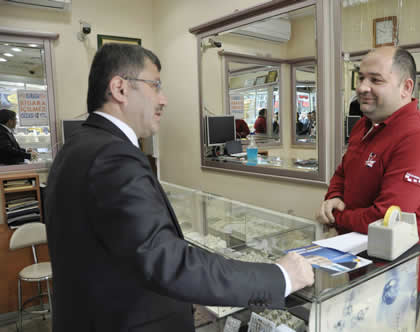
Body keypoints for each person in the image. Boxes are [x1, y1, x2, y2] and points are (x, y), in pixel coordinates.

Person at [44, 44, 314, 332]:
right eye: (155, 86)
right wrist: (278, 277)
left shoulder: (76, 145)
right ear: (120, 89)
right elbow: (167, 262)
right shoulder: (113, 157)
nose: (164, 99)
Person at [316, 46, 420, 320]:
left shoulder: (418, 138)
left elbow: (386, 218)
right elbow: (342, 172)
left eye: (375, 80)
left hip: (394, 274)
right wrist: (333, 196)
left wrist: (338, 216)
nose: (362, 87)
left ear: (405, 87)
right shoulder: (364, 125)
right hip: (356, 261)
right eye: (361, 78)